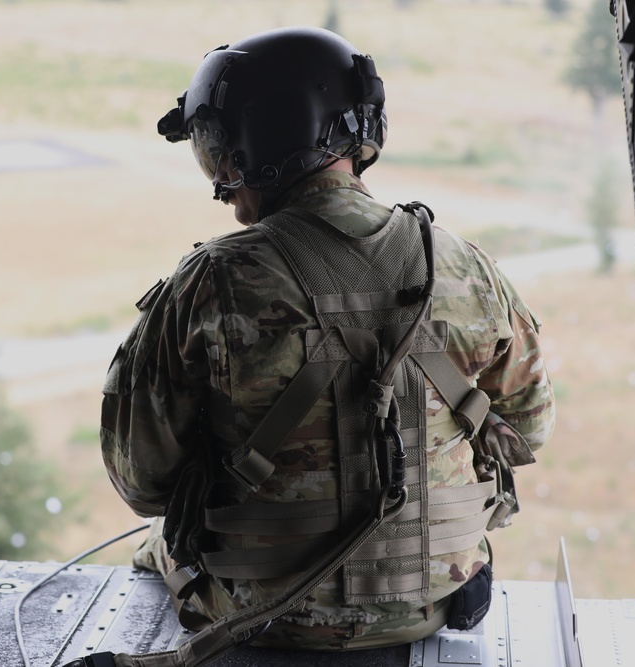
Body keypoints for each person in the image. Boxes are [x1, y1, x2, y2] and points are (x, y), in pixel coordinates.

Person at [100, 25, 554, 657]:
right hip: (433, 604)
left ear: (249, 147)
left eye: (217, 146)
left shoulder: (212, 281)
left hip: (265, 616)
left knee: (156, 551)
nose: (220, 169)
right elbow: (527, 431)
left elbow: (142, 480)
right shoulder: (463, 265)